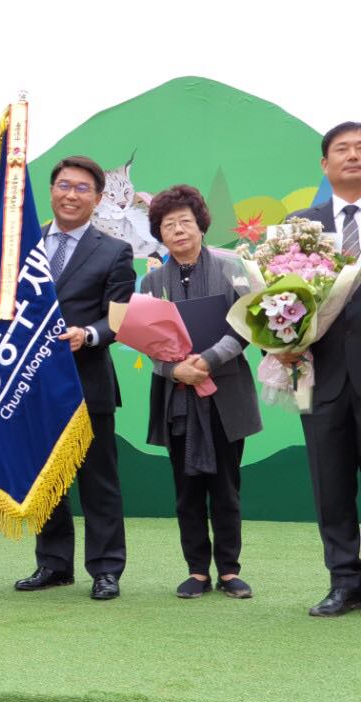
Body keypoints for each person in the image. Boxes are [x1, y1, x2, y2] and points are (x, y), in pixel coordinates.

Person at [14, 156, 135, 600]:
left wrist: (90, 334)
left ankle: (106, 569)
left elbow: (119, 320)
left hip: (88, 382)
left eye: (82, 188)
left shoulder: (115, 251)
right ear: (51, 191)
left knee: (98, 480)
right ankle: (53, 564)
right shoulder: (22, 248)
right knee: (48, 478)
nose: (71, 194)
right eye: (64, 185)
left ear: (98, 199)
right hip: (32, 384)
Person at [141, 185, 262, 599]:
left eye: (185, 222)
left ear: (201, 225)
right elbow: (143, 338)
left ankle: (229, 570)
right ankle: (196, 571)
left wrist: (208, 361)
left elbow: (248, 325)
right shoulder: (152, 279)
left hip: (225, 393)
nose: (178, 230)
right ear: (159, 232)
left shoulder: (234, 269)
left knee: (226, 486)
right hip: (177, 397)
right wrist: (175, 369)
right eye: (168, 224)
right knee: (186, 487)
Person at [282, 121, 361, 616]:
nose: (353, 155)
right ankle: (344, 580)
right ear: (324, 163)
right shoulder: (299, 227)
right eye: (343, 149)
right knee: (330, 484)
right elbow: (278, 299)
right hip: (324, 375)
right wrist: (281, 342)